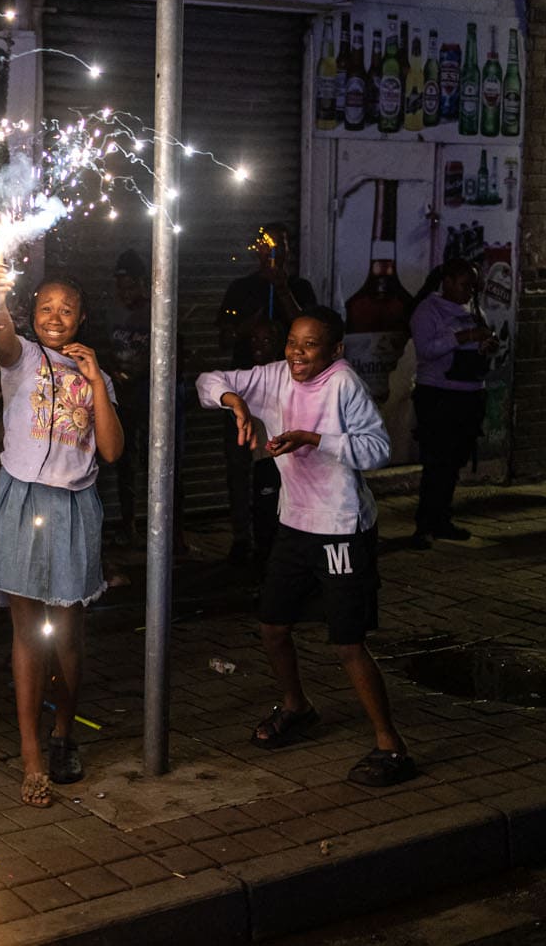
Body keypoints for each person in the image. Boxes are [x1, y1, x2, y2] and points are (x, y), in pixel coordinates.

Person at [198, 306, 414, 787]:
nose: (297, 352)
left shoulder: (343, 383)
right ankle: (297, 706)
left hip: (341, 527)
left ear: (334, 350)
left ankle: (391, 744)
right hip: (294, 523)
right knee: (273, 627)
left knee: (347, 642)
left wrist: (313, 438)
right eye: (292, 341)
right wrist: (235, 403)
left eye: (310, 344)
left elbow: (379, 449)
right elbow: (208, 380)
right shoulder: (276, 375)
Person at [0, 264, 124, 809]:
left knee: (65, 634)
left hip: (73, 507)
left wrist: (96, 382)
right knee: (26, 633)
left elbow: (111, 450)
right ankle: (31, 754)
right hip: (22, 501)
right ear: (32, 314)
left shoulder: (95, 377)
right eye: (46, 308)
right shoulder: (19, 356)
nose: (56, 317)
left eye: (67, 309)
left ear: (82, 317)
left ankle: (64, 733)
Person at [216, 225, 316, 566]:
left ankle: (281, 532)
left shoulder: (299, 287)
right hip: (245, 392)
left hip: (286, 392)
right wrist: (249, 326)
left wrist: (282, 289)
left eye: (280, 246)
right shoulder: (241, 289)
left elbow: (310, 330)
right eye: (267, 246)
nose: (273, 252)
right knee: (239, 464)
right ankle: (242, 537)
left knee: (281, 464)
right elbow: (224, 337)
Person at [407, 260, 496, 548]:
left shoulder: (475, 310)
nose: (470, 291)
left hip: (470, 393)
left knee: (455, 462)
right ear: (447, 281)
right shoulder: (428, 310)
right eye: (464, 284)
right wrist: (465, 337)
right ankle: (424, 525)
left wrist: (486, 345)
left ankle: (442, 519)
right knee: (436, 462)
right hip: (439, 394)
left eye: (473, 286)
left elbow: (481, 346)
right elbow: (426, 350)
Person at [108, 248, 188, 552]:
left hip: (156, 404)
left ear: (144, 282)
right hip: (125, 401)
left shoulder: (159, 311)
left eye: (130, 286)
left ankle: (174, 536)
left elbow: (176, 358)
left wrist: (141, 370)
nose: (125, 293)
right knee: (125, 467)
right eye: (120, 287)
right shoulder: (114, 312)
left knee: (164, 467)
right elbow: (109, 350)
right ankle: (129, 528)